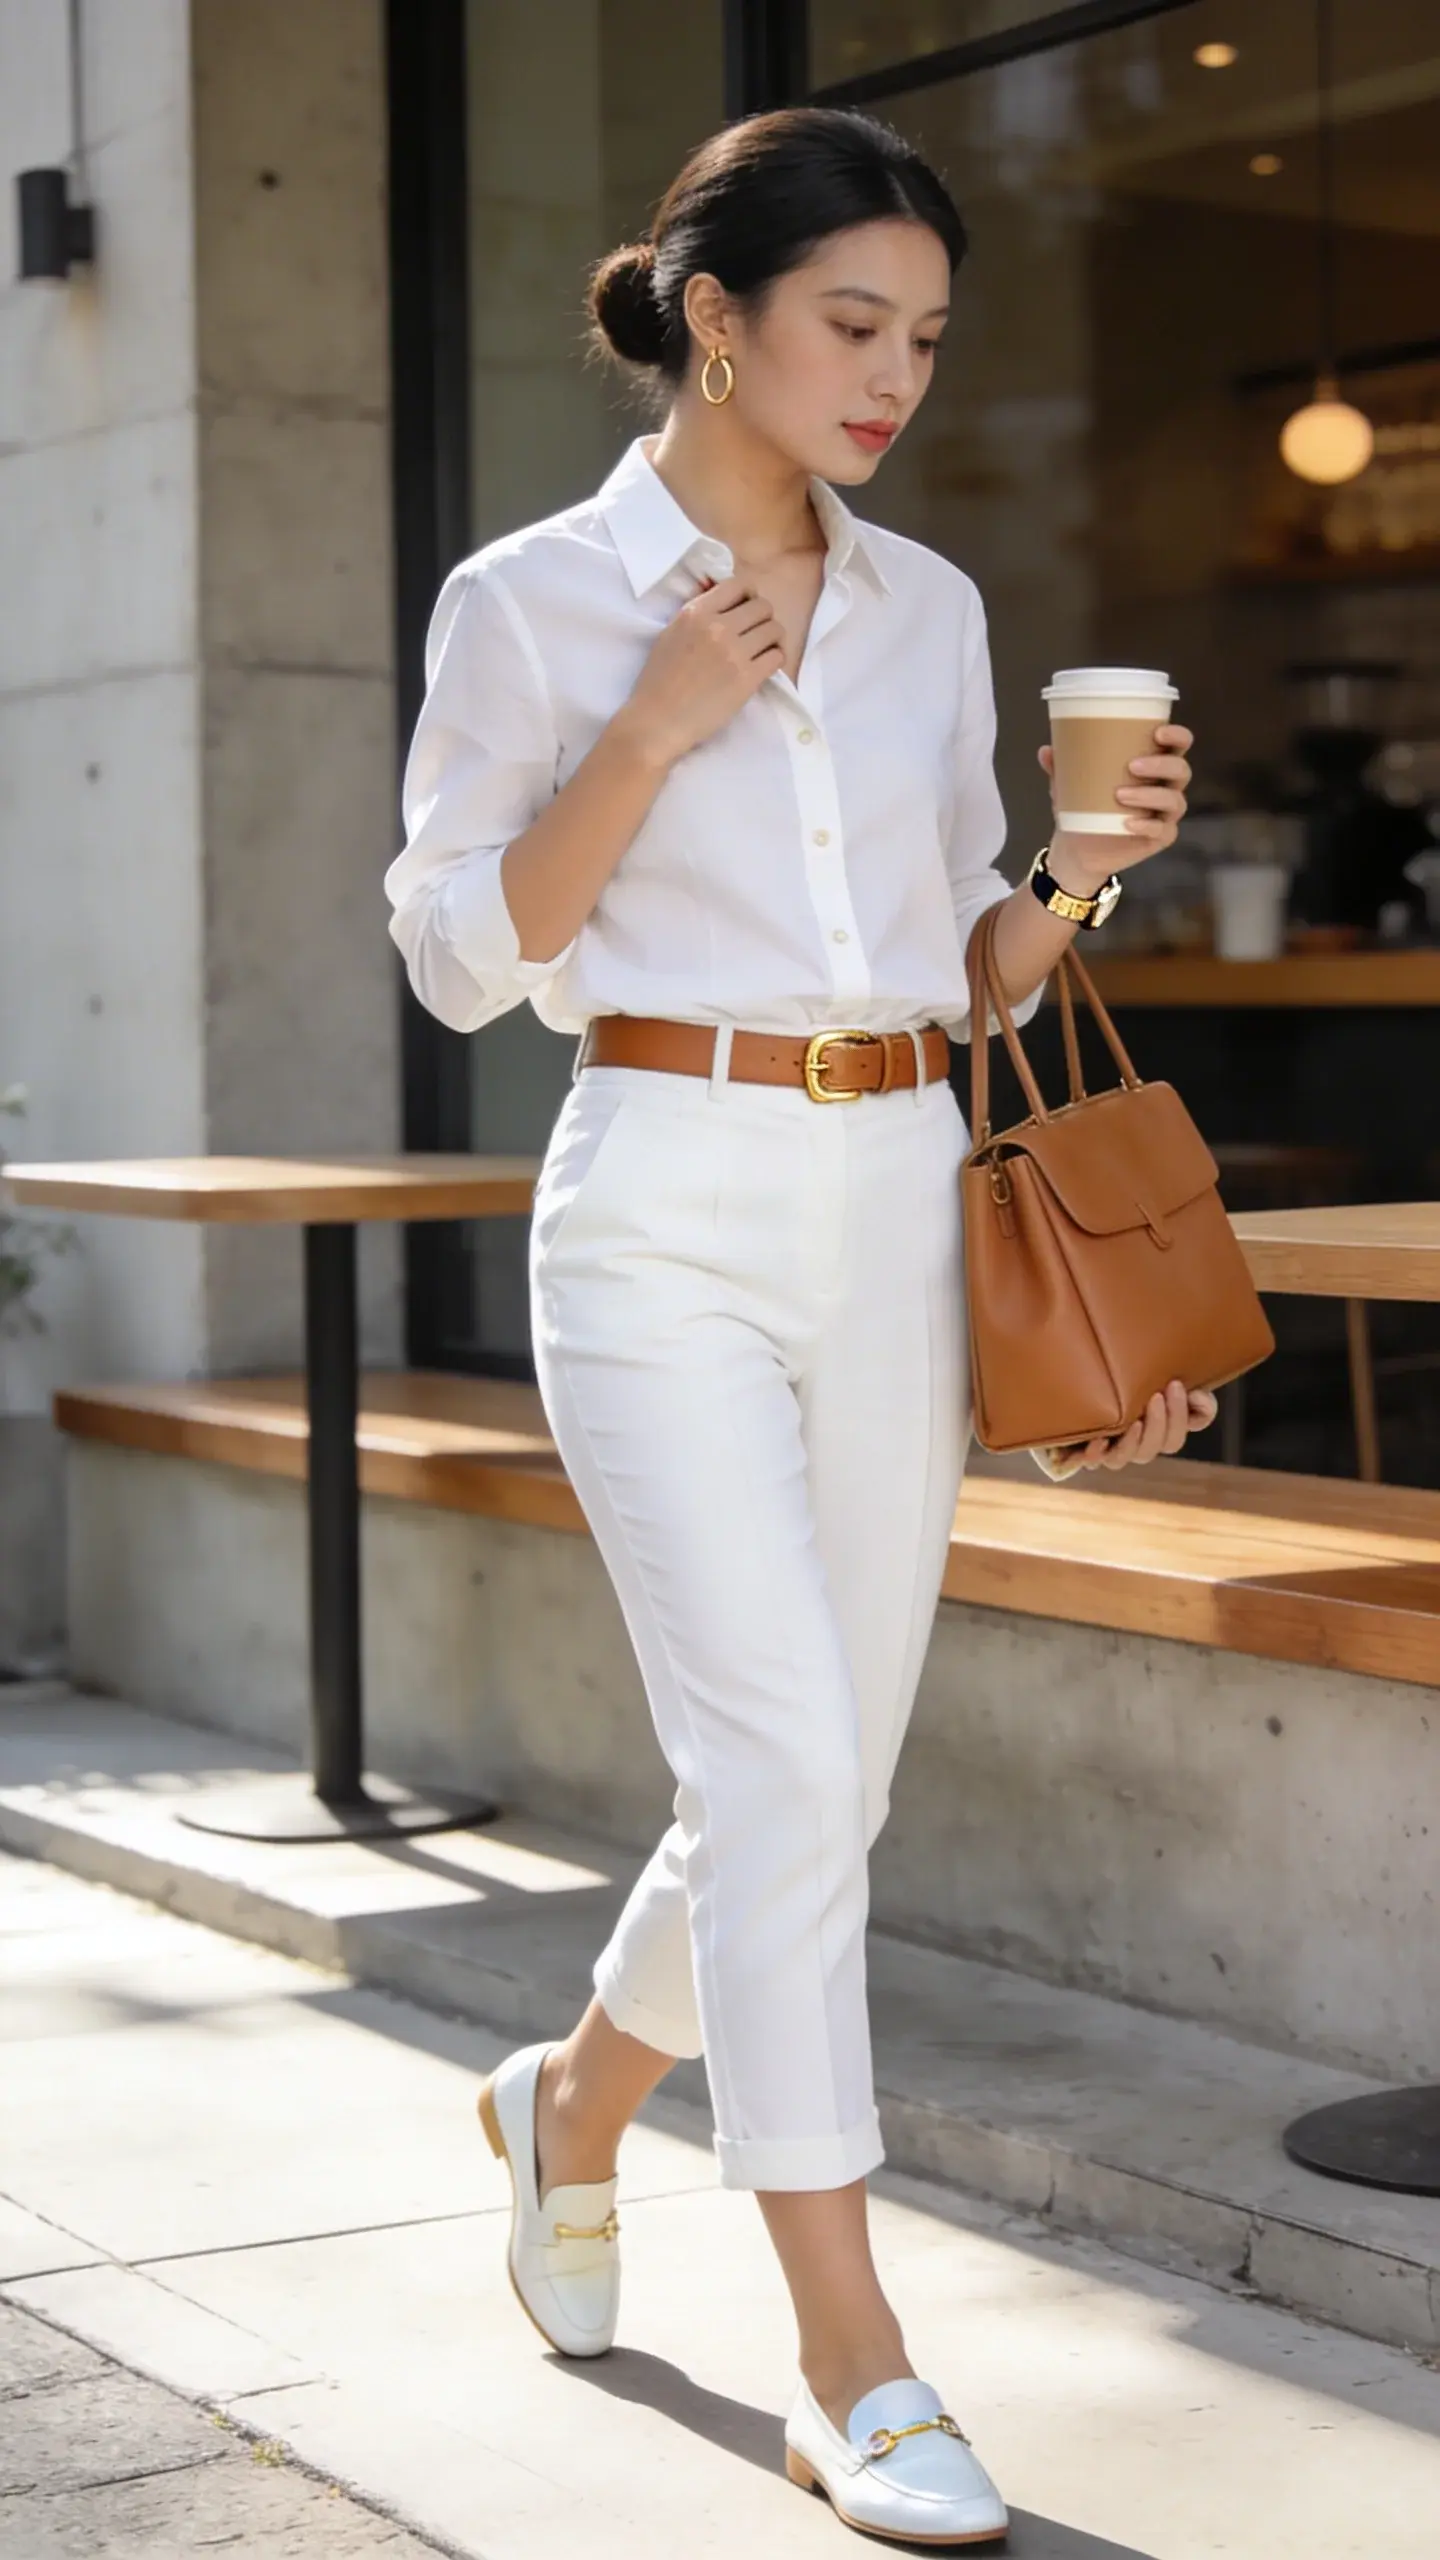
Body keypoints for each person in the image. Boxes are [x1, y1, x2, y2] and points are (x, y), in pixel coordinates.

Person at [385, 104, 1210, 2551]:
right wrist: (649, 720)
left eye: (929, 339)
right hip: (654, 1198)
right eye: (855, 323)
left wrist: (1082, 867)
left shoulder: (933, 611)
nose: (897, 377)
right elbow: (455, 959)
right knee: (771, 1761)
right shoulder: (533, 595)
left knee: (815, 1785)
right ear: (712, 313)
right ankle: (853, 2358)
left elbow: (967, 973)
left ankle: (569, 2111)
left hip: (888, 1197)